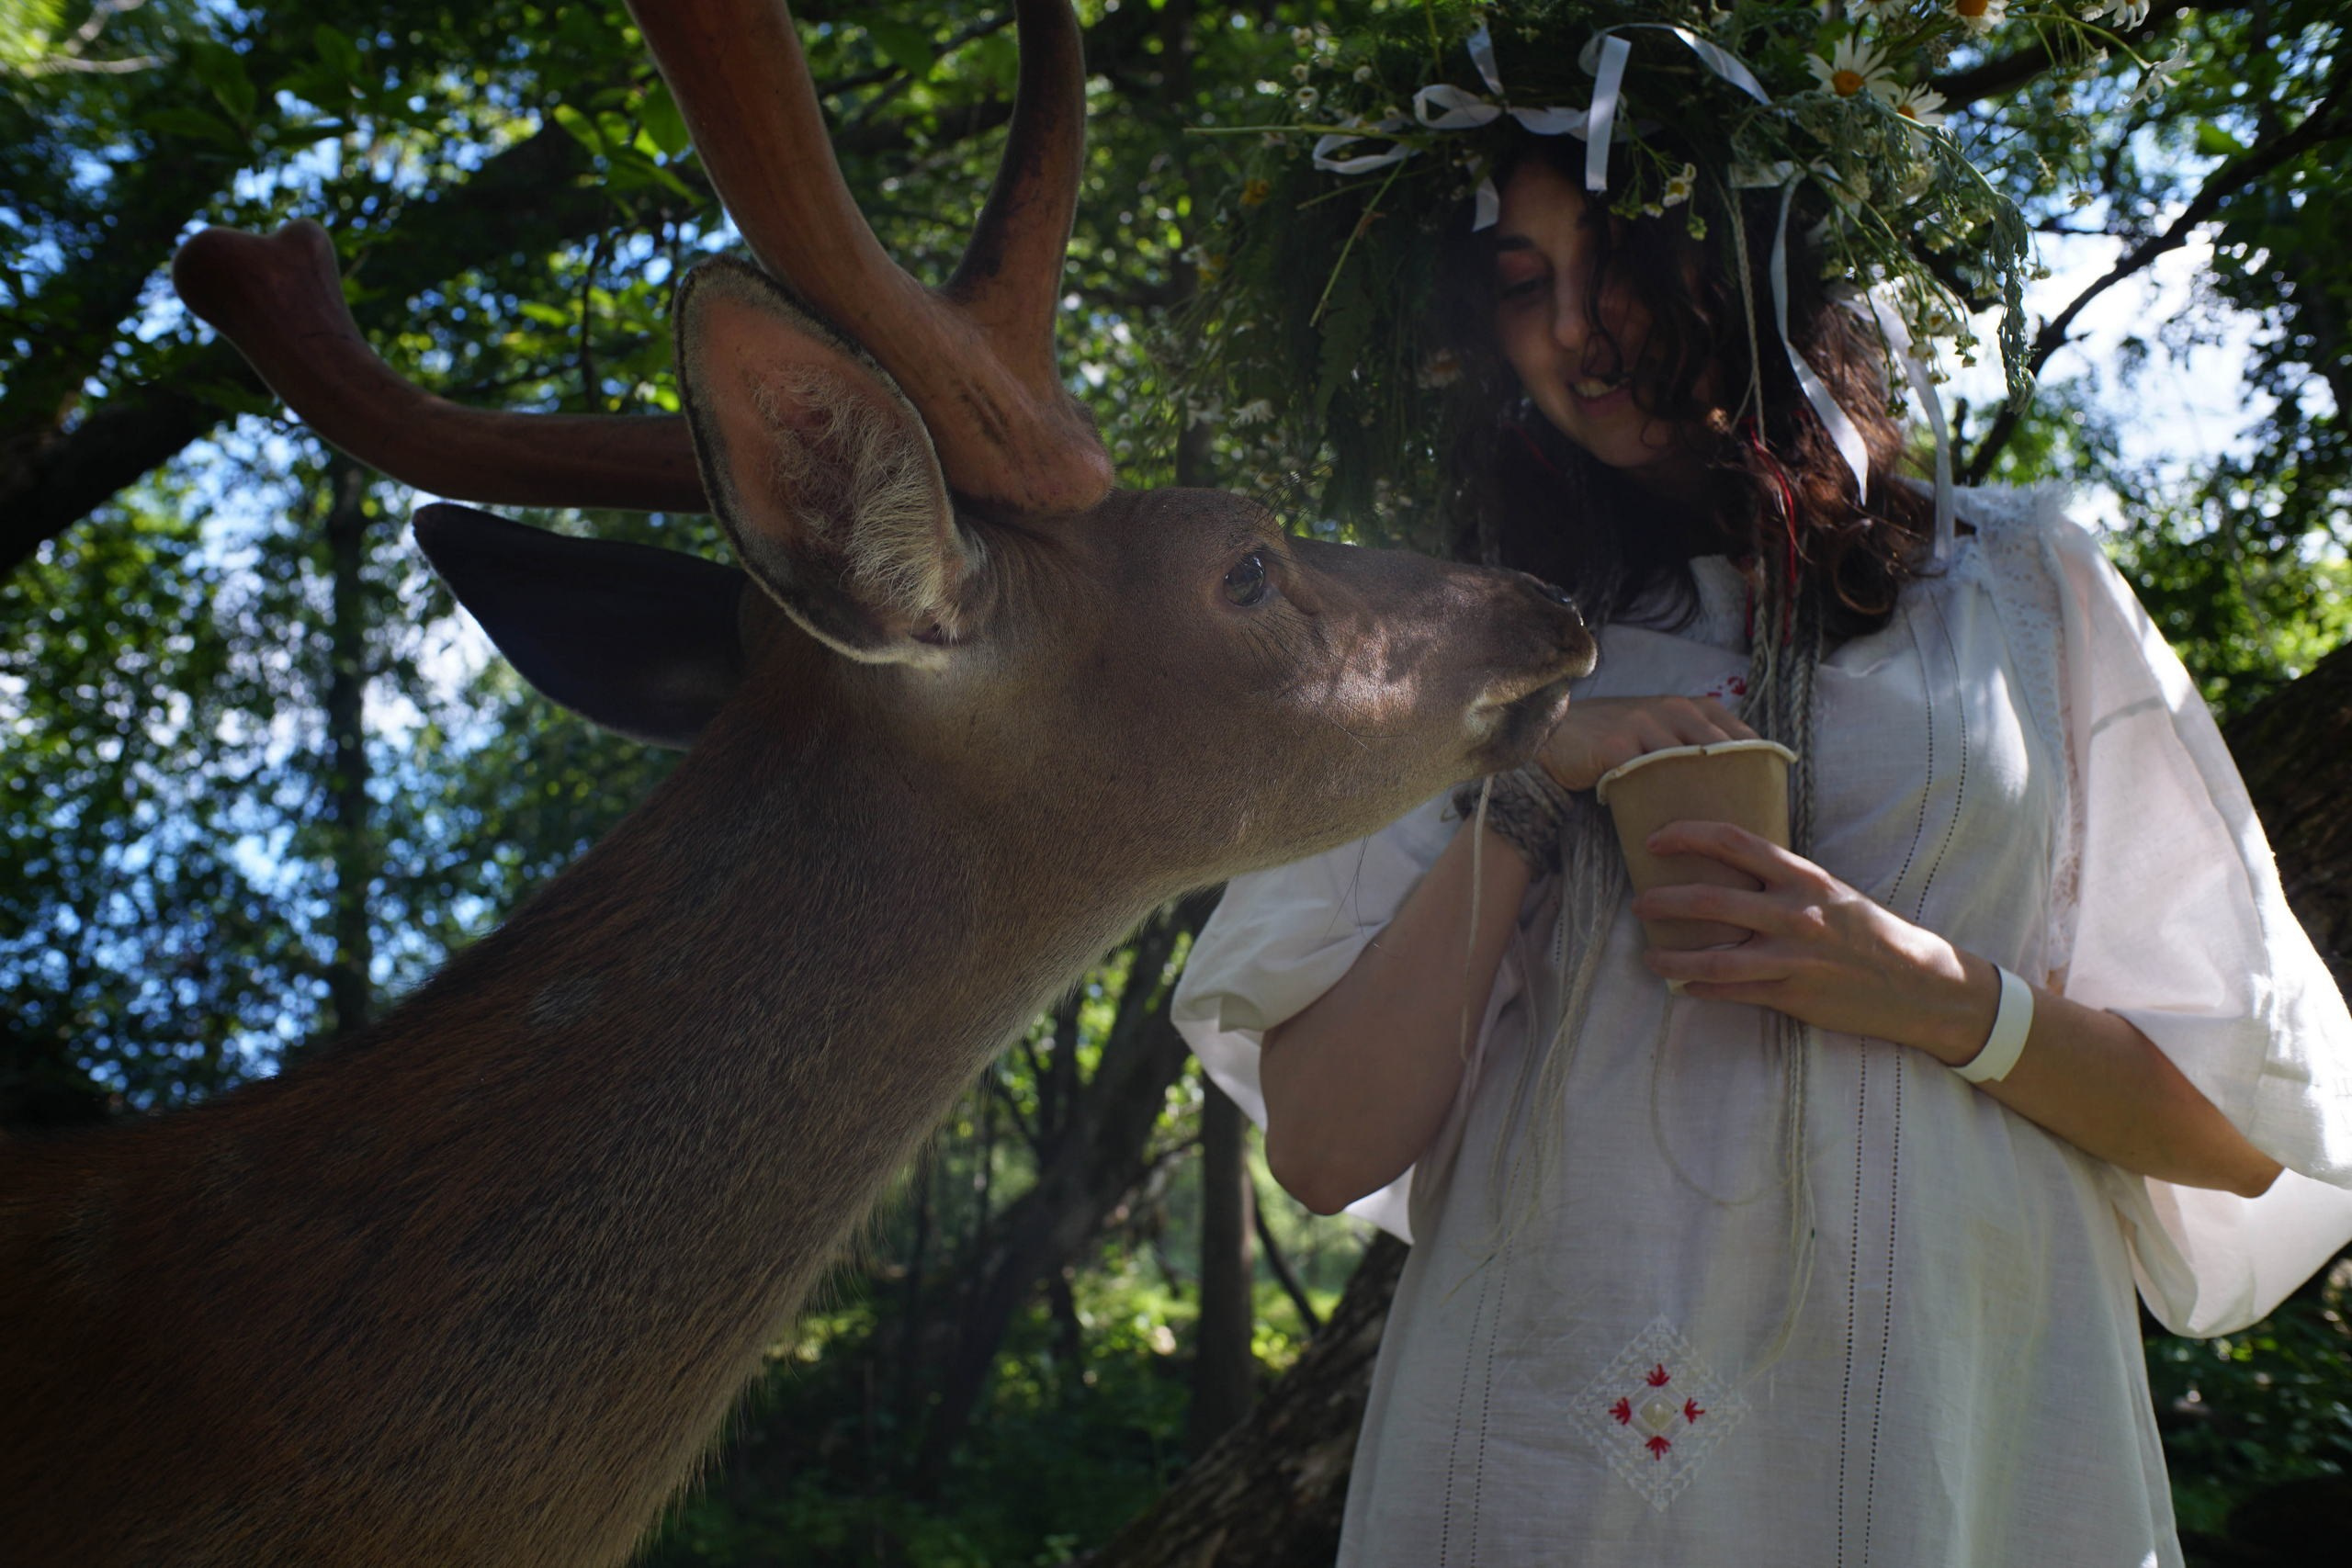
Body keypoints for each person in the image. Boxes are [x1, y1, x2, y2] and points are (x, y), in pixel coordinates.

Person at [1170, 9, 2352, 1565]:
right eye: (1523, 287)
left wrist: (1938, 995)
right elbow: (1325, 1148)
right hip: (1549, 1461)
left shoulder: (2024, 595)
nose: (1578, 330)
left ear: (1754, 252)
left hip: (1959, 1442)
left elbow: (2240, 1133)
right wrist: (1525, 774)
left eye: (1619, 259)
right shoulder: (1453, 645)